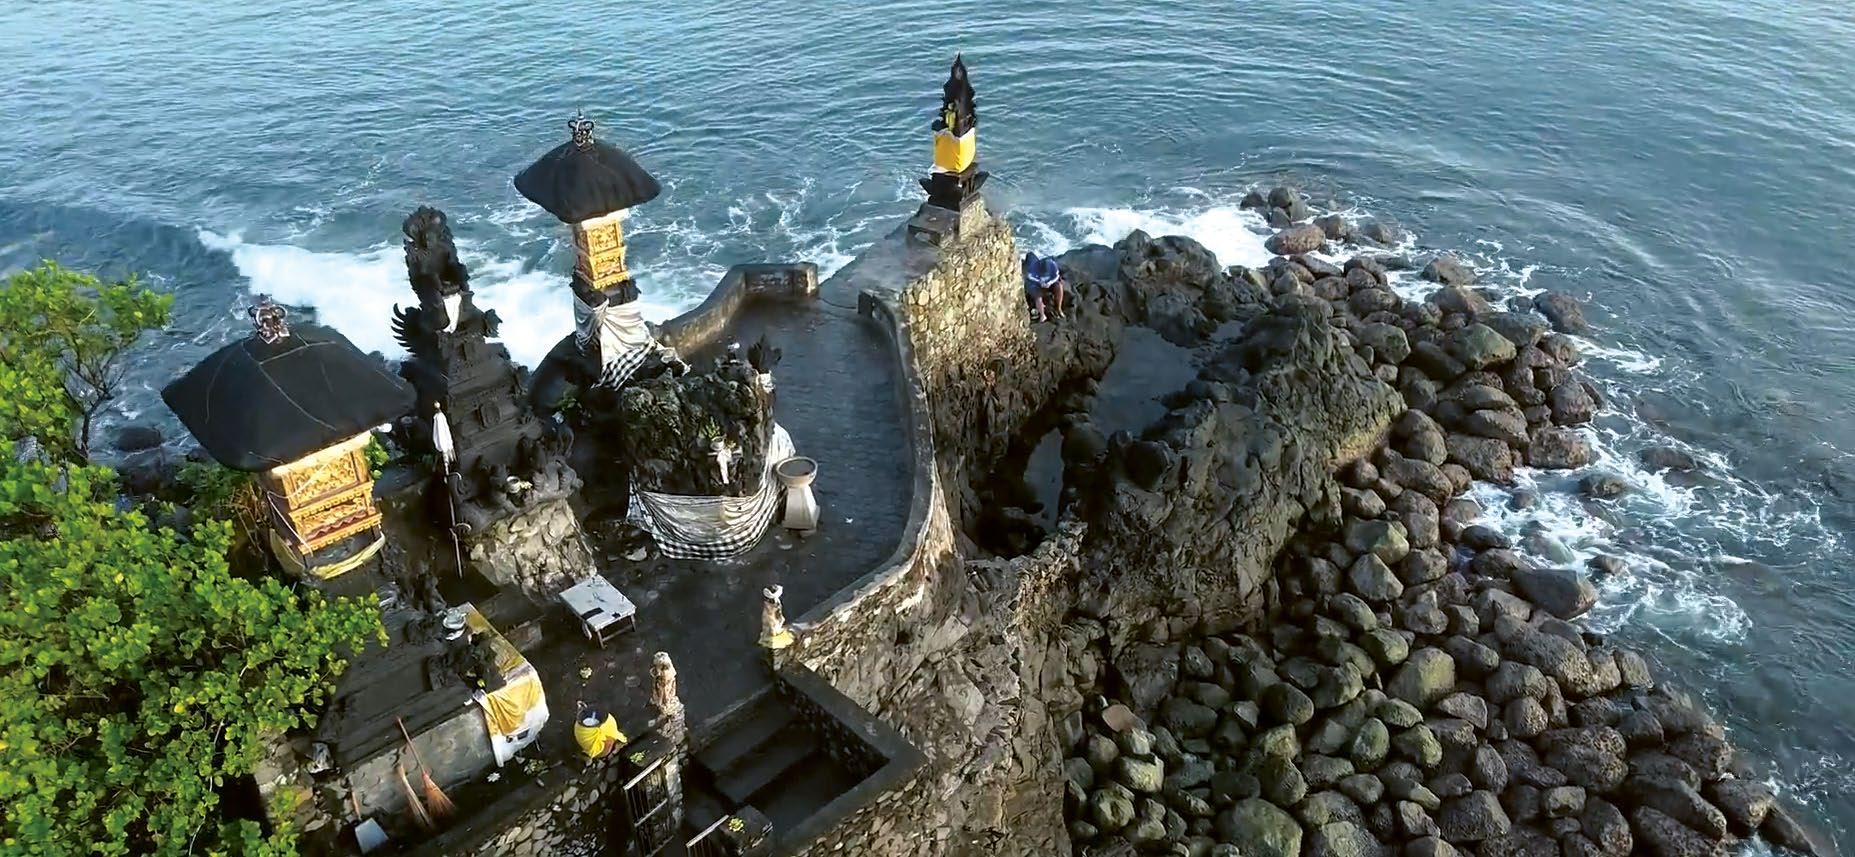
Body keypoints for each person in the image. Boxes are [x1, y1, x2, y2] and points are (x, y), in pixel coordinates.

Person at [1022, 252, 1066, 322]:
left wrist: (1049, 282)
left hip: (1049, 284)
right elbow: (1029, 277)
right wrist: (1040, 282)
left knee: (1059, 286)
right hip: (1038, 285)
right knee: (1037, 296)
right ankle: (1042, 315)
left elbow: (1056, 276)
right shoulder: (1032, 268)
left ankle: (1058, 309)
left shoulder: (1052, 265)